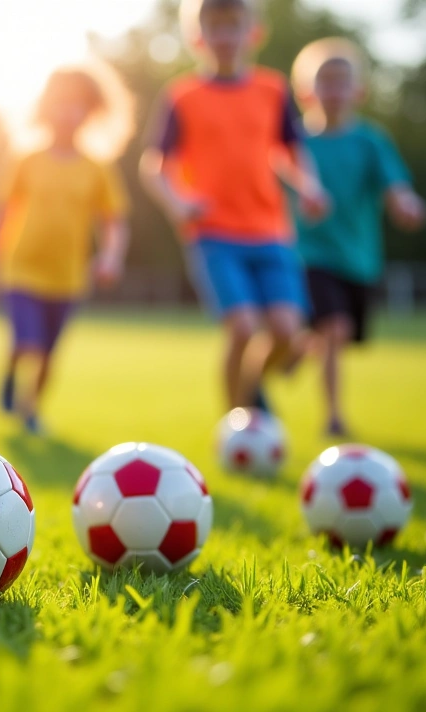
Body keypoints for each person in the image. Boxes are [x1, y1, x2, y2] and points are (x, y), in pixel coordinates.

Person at [140, 0, 329, 414]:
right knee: (243, 328)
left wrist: (310, 186)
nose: (225, 37)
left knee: (286, 332)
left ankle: (252, 386)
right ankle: (236, 421)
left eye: (234, 27)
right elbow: (153, 165)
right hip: (213, 232)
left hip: (270, 231)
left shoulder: (273, 90)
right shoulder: (183, 95)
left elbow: (292, 152)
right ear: (198, 37)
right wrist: (178, 201)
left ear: (253, 33)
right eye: (215, 27)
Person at [0, 64, 134, 434]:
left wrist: (110, 257)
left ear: (90, 111)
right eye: (61, 102)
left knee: (48, 353)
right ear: (45, 106)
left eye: (77, 104)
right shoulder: (26, 158)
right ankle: (11, 371)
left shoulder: (97, 168)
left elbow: (114, 222)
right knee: (29, 341)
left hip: (68, 276)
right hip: (20, 269)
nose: (68, 112)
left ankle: (31, 410)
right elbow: (0, 213)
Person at [291, 38, 426, 436]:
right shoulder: (296, 144)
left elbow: (395, 185)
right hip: (310, 254)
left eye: (341, 82)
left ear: (359, 90)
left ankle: (301, 347)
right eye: (324, 82)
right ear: (306, 92)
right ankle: (333, 417)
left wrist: (406, 203)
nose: (333, 91)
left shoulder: (370, 140)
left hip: (360, 259)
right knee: (335, 328)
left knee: (339, 335)